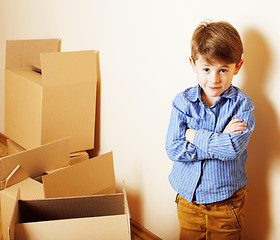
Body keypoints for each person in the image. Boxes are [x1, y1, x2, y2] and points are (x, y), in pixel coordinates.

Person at [165, 21, 255, 240]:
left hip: (226, 204)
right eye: (206, 69)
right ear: (193, 64)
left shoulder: (242, 105)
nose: (214, 79)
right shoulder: (182, 103)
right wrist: (220, 139)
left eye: (223, 70)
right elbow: (174, 149)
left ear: (238, 66)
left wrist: (194, 135)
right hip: (189, 202)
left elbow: (232, 149)